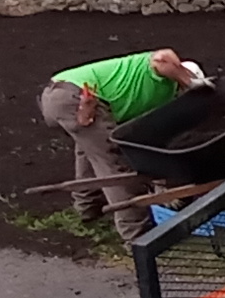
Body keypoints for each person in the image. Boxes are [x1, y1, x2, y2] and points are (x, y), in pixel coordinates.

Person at [38, 47, 204, 242]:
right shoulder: (162, 75)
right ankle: (139, 238)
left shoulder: (154, 95)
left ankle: (88, 208)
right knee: (117, 165)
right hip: (78, 96)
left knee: (92, 150)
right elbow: (162, 57)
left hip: (56, 95)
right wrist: (192, 83)